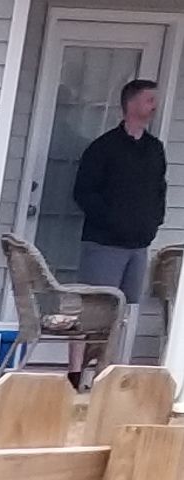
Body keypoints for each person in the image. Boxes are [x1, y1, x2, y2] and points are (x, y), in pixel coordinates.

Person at [71, 76, 166, 333]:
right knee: (95, 310)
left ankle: (111, 367)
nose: (154, 106)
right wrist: (112, 222)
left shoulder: (154, 149)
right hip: (104, 244)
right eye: (149, 100)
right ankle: (78, 371)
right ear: (131, 103)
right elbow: (83, 192)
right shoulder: (104, 148)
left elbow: (159, 189)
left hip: (138, 244)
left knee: (125, 312)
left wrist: (153, 222)